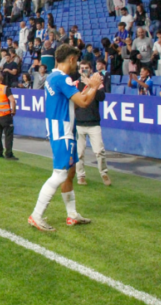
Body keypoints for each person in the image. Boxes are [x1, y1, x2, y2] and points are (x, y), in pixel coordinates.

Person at [28, 44, 103, 232]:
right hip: (63, 131)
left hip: (62, 129)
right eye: (76, 60)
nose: (76, 64)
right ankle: (36, 215)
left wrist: (86, 89)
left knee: (70, 172)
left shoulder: (53, 78)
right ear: (70, 59)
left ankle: (72, 214)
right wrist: (93, 86)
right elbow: (85, 103)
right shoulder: (63, 78)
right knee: (60, 173)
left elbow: (75, 103)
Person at [75, 61, 111, 186]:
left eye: (86, 68)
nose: (84, 70)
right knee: (79, 153)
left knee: (99, 151)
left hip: (93, 122)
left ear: (90, 70)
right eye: (82, 68)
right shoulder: (75, 84)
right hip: (79, 122)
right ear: (79, 70)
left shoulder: (96, 83)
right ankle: (81, 176)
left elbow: (101, 97)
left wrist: (91, 85)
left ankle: (104, 173)